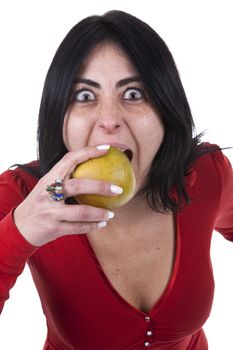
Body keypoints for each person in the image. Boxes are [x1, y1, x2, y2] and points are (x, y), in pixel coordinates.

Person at [0, 10, 232, 350]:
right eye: (84, 96)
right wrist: (19, 232)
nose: (109, 120)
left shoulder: (206, 174)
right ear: (58, 116)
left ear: (166, 110)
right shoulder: (23, 196)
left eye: (134, 94)